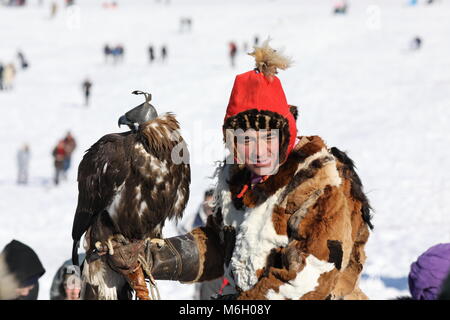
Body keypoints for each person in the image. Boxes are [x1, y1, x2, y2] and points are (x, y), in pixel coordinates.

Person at [106, 40, 373, 300]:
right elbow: (220, 246)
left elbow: (311, 277)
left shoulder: (316, 183)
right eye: (246, 139)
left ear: (284, 135)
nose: (257, 150)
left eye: (267, 137)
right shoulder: (239, 181)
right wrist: (155, 257)